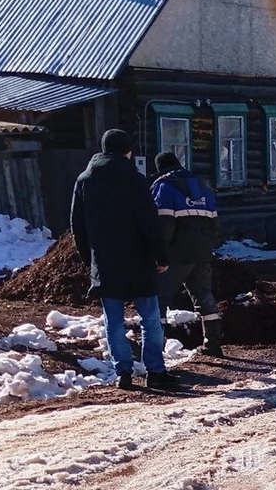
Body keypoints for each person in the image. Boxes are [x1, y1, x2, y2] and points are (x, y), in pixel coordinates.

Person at [70, 129, 178, 391]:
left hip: (106, 262)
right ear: (127, 151)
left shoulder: (85, 180)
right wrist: (161, 256)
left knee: (113, 321)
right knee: (150, 319)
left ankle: (124, 374)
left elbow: (77, 225)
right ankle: (155, 371)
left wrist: (90, 259)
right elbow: (150, 223)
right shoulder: (135, 180)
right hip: (138, 260)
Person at [151, 151, 224, 357]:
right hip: (202, 253)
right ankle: (213, 343)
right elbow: (215, 224)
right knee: (204, 296)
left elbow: (163, 226)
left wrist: (160, 253)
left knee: (159, 298)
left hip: (176, 255)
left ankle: (157, 349)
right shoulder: (202, 186)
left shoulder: (164, 187)